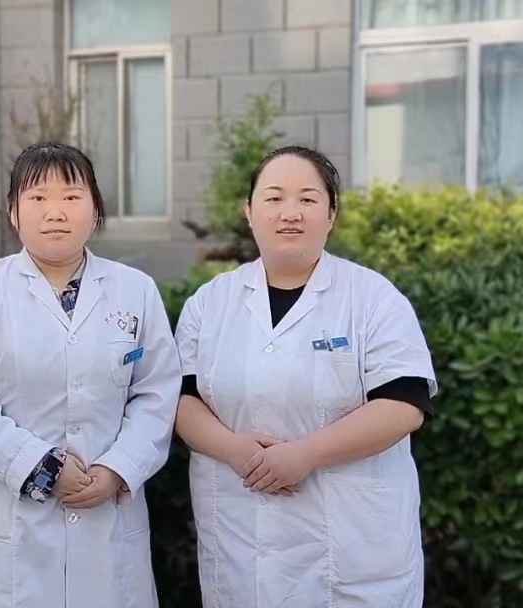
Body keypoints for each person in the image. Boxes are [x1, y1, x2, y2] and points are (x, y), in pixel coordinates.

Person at [173, 145, 437, 607]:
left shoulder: (372, 298)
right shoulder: (209, 303)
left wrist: (307, 454)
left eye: (308, 199)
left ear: (331, 214)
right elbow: (181, 399)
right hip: (241, 544)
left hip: (352, 551)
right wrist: (233, 449)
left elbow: (404, 405)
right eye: (274, 198)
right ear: (249, 211)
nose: (289, 213)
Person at [0, 142, 181, 608]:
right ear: (13, 212)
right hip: (13, 525)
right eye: (37, 198)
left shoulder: (136, 290)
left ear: (95, 209)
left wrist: (118, 468)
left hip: (107, 515)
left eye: (71, 196)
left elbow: (156, 394)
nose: (56, 212)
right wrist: (40, 466)